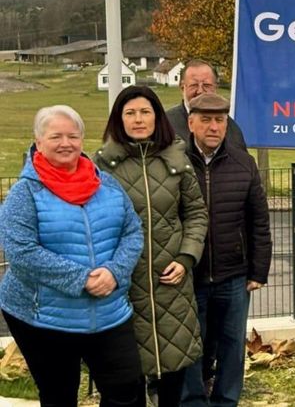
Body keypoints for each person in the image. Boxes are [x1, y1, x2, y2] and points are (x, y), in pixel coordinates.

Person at [0, 105, 145, 406]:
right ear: (38, 142)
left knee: (127, 389)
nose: (65, 143)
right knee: (59, 395)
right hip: (44, 318)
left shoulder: (106, 184)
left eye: (73, 136)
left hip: (109, 311)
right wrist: (82, 279)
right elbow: (21, 252)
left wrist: (114, 272)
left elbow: (132, 232)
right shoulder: (25, 194)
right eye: (55, 136)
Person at [96, 86, 208, 407]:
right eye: (130, 113)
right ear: (119, 119)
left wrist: (186, 257)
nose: (138, 119)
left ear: (157, 117)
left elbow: (196, 214)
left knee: (172, 380)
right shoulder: (103, 166)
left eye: (145, 112)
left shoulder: (177, 160)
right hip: (124, 289)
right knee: (126, 385)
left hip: (170, 286)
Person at [182, 92, 272, 407]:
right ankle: (193, 401)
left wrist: (258, 270)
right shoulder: (176, 163)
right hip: (189, 276)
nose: (213, 127)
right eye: (205, 120)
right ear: (191, 123)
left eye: (219, 120)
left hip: (234, 275)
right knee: (192, 345)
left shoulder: (243, 163)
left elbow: (258, 221)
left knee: (233, 345)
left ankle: (226, 401)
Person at [166, 59, 248, 150]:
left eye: (207, 85)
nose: (200, 91)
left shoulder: (231, 128)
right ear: (182, 88)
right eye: (194, 85)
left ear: (216, 88)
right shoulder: (166, 124)